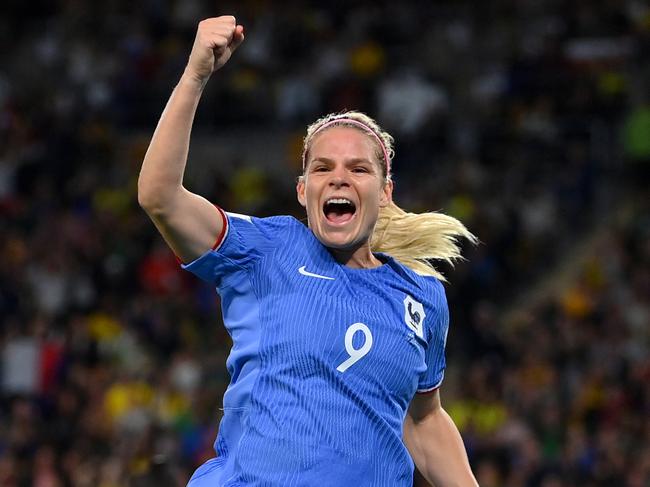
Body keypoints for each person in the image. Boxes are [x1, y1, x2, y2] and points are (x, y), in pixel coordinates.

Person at [138, 15, 479, 487]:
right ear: (303, 191)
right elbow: (160, 196)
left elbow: (424, 421)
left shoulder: (421, 297)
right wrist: (195, 75)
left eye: (359, 169)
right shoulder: (267, 248)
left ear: (384, 192)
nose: (339, 177)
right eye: (322, 168)